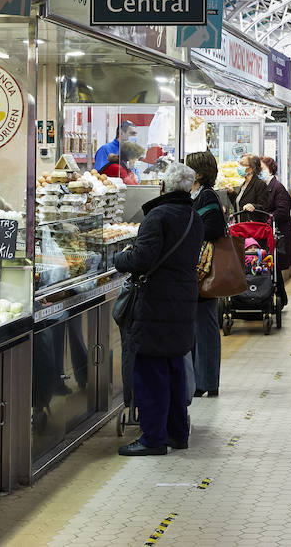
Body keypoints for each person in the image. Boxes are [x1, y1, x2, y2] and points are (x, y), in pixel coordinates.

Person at [112, 162, 203, 456]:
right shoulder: (193, 216)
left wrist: (120, 258)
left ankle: (153, 439)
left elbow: (143, 259)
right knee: (175, 368)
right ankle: (177, 433)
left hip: (155, 303)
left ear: (162, 186)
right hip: (183, 300)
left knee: (150, 371)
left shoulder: (158, 215)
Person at [185, 151, 227, 399]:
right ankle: (201, 379)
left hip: (204, 271)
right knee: (199, 327)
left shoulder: (207, 195)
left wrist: (189, 228)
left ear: (198, 173)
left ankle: (207, 381)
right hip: (197, 271)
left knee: (205, 327)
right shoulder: (196, 194)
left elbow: (214, 229)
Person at [261, 156, 291, 303]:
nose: (259, 172)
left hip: (277, 233)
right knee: (272, 265)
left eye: (262, 169)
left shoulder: (278, 188)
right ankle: (277, 295)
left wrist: (266, 218)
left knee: (275, 265)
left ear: (270, 170)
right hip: (268, 232)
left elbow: (282, 211)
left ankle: (281, 296)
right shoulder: (264, 187)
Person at [233, 154, 270, 223]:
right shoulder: (244, 184)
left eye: (242, 164)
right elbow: (239, 205)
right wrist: (232, 193)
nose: (239, 167)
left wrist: (253, 206)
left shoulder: (259, 184)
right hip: (241, 226)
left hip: (252, 228)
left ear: (252, 168)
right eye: (239, 164)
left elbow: (264, 207)